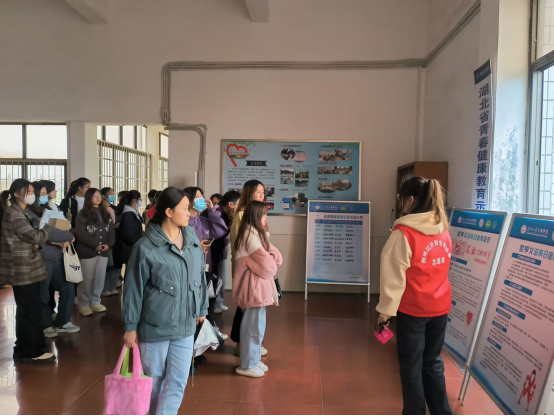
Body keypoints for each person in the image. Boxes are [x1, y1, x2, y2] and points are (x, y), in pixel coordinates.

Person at [122, 187, 208, 415]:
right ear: (169, 212)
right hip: (155, 326)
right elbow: (133, 289)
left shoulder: (192, 240)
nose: (189, 213)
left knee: (178, 382)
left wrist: (202, 307)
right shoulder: (145, 247)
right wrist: (130, 327)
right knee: (153, 382)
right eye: (185, 208)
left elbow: (200, 275)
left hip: (185, 325)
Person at [376, 177, 452, 415]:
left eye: (401, 199)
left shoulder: (404, 234)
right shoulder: (443, 229)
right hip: (440, 308)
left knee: (411, 366)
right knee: (432, 362)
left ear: (409, 200)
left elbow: (393, 279)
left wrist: (385, 314)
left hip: (414, 310)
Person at [0, 179, 56, 363]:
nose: (32, 195)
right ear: (16, 194)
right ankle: (34, 351)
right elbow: (35, 237)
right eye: (28, 191)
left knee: (26, 310)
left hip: (27, 267)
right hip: (23, 269)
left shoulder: (21, 212)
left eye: (33, 191)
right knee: (31, 311)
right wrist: (47, 227)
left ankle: (23, 348)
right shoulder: (15, 214)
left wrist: (38, 240)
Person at [233, 201, 282, 378]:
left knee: (257, 327)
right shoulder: (250, 236)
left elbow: (277, 256)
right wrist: (270, 257)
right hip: (253, 290)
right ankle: (248, 364)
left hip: (258, 289)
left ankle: (253, 359)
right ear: (255, 216)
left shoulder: (256, 234)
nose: (266, 218)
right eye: (263, 214)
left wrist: (271, 257)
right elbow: (270, 266)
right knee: (252, 328)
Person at [36, 180, 80, 338]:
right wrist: (68, 236)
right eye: (41, 194)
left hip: (59, 255)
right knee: (43, 294)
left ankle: (63, 321)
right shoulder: (33, 212)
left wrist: (68, 236)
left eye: (45, 193)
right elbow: (48, 233)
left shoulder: (52, 207)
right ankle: (45, 325)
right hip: (43, 258)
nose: (45, 196)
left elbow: (65, 227)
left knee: (68, 288)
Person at [229, 180, 268, 357]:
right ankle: (242, 344)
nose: (262, 195)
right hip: (246, 268)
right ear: (249, 193)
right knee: (246, 305)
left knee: (254, 307)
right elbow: (240, 245)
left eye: (263, 192)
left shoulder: (258, 212)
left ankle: (252, 343)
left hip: (258, 268)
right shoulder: (241, 214)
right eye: (258, 192)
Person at [184, 187, 227, 337]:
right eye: (197, 197)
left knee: (206, 302)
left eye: (202, 196)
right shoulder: (184, 222)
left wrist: (212, 211)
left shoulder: (202, 221)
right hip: (190, 269)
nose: (202, 200)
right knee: (193, 304)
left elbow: (221, 230)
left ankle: (206, 334)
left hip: (205, 267)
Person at [75, 188, 116, 316]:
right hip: (88, 252)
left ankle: (95, 301)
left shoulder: (106, 213)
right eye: (95, 196)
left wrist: (109, 244)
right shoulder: (82, 214)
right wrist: (95, 245)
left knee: (99, 278)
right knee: (87, 279)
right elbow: (81, 234)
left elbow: (111, 232)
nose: (98, 198)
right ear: (89, 198)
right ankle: (83, 303)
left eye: (99, 196)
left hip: (103, 252)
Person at [211, 190, 240, 314]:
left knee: (222, 279)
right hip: (212, 253)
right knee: (214, 280)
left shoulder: (227, 213)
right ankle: (213, 306)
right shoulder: (217, 213)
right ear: (230, 204)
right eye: (238, 204)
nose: (239, 207)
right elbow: (218, 233)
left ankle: (219, 303)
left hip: (221, 251)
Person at [113, 190, 143, 271]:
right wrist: (140, 241)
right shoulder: (128, 214)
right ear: (134, 201)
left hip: (132, 248)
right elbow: (128, 234)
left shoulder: (133, 212)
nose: (140, 202)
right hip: (128, 249)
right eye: (140, 200)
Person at [100, 187, 119, 297]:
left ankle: (112, 286)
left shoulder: (112, 208)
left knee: (112, 264)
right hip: (105, 239)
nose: (112, 195)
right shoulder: (101, 209)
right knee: (106, 265)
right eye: (110, 194)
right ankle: (104, 288)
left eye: (113, 193)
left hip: (113, 238)